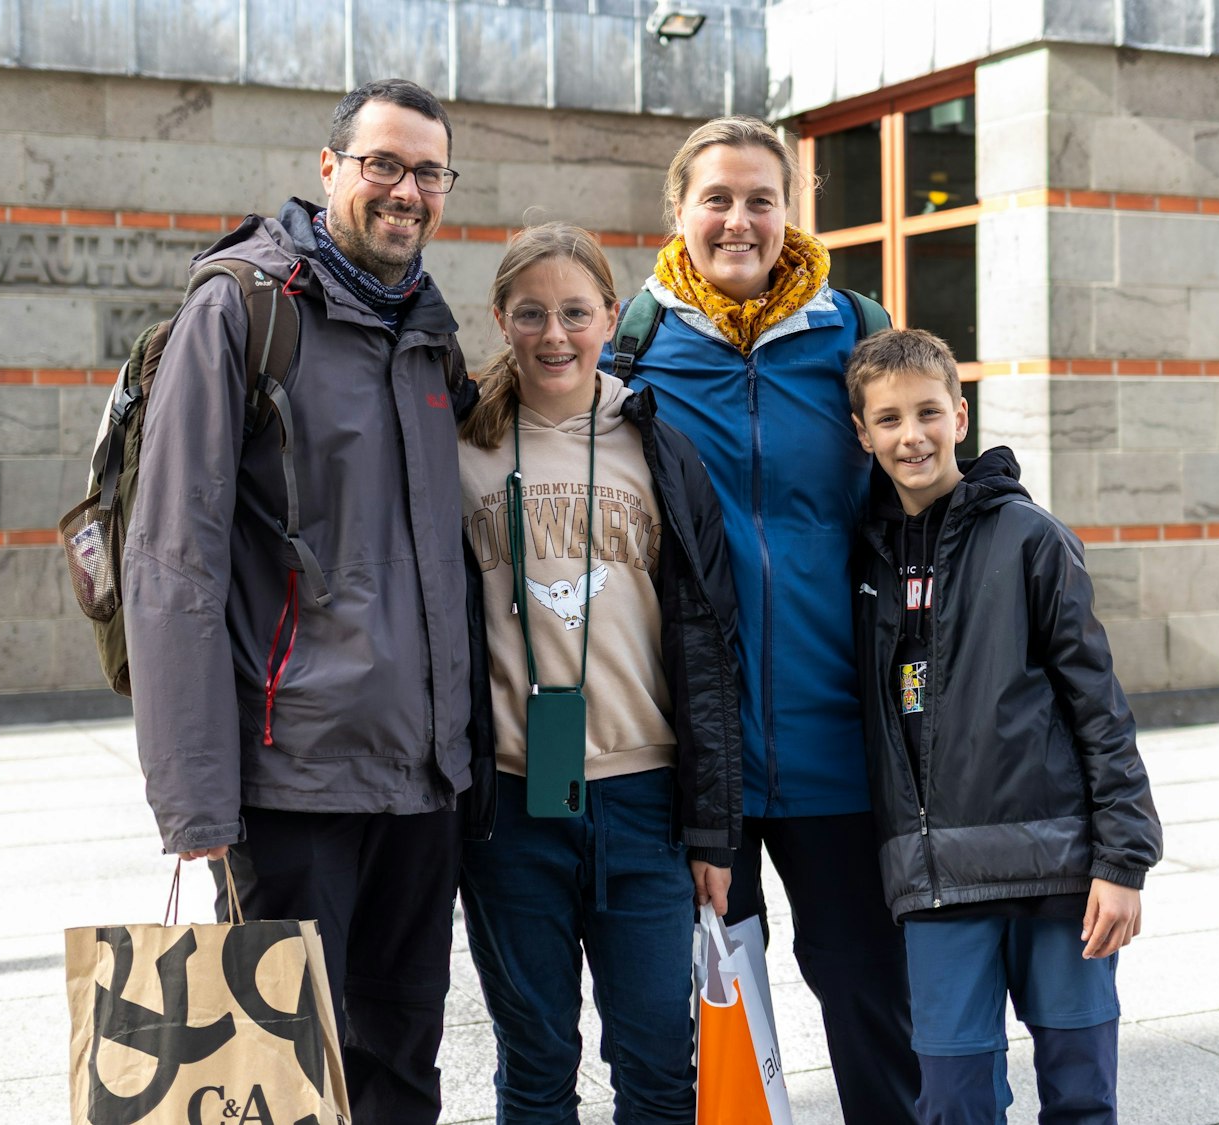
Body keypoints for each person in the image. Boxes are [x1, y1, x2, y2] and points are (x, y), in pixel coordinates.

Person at [122, 78, 474, 1124]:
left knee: (402, 1067)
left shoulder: (426, 328)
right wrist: (192, 802)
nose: (405, 189)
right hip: (292, 787)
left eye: (427, 171)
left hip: (422, 789)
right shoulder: (241, 309)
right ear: (330, 171)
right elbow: (169, 562)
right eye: (383, 164)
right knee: (276, 1088)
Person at [606, 114, 922, 1120]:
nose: (738, 221)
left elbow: (928, 490)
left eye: (760, 199)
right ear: (678, 210)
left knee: (875, 1004)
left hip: (840, 746)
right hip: (701, 759)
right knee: (716, 1020)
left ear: (791, 210)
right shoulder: (631, 347)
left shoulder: (855, 332)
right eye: (716, 199)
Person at [456, 222, 742, 1124]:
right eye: (532, 312)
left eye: (576, 312)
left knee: (660, 1067)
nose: (555, 334)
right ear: (501, 318)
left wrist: (714, 830)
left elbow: (710, 638)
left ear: (609, 317)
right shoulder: (456, 450)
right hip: (510, 807)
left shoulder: (656, 444)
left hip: (644, 805)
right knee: (535, 1065)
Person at [846, 329, 1163, 1125]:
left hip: (1059, 872)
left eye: (927, 412)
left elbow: (1101, 708)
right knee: (954, 1100)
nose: (910, 435)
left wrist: (1123, 861)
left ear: (960, 413)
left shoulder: (1031, 538)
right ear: (862, 434)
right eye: (888, 420)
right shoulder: (862, 559)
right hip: (936, 879)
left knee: (1081, 1092)